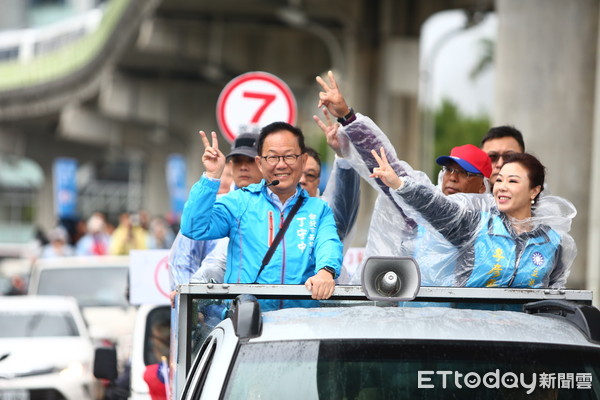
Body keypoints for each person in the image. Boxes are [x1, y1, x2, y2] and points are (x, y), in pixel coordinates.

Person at [180, 122, 343, 301]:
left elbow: (328, 243)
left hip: (302, 321)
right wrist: (211, 176)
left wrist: (326, 271)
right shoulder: (239, 202)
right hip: (247, 322)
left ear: (303, 161)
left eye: (289, 156)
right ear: (260, 162)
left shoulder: (319, 209)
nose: (281, 165)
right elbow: (194, 227)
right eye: (272, 157)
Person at [371, 149, 576, 288]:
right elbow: (436, 208)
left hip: (522, 344)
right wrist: (399, 184)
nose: (502, 187)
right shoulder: (476, 225)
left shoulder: (554, 243)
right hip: (471, 339)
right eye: (500, 180)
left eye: (512, 181)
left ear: (534, 191)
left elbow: (555, 297)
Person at [190, 145, 360, 284]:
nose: (302, 180)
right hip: (254, 319)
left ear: (317, 184)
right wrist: (197, 285)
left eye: (310, 175)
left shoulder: (323, 213)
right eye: (298, 173)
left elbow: (334, 234)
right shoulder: (248, 212)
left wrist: (325, 272)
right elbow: (218, 263)